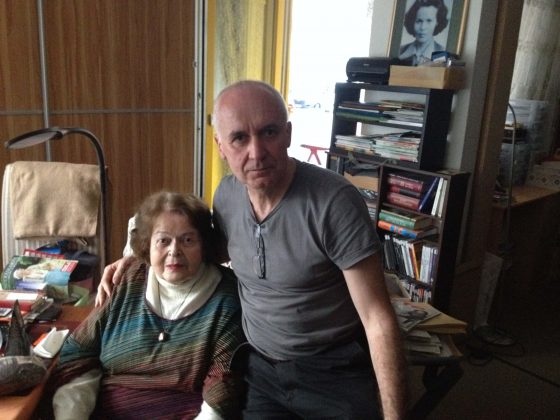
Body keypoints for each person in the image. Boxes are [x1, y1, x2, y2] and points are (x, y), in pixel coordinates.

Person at [97, 81, 407, 419]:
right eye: (239, 138)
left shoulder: (334, 203)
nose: (256, 153)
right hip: (261, 371)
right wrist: (135, 258)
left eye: (268, 132)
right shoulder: (227, 195)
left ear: (288, 134)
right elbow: (198, 248)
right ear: (221, 146)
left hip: (334, 372)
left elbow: (378, 319)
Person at [48, 191, 245, 419]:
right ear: (146, 245)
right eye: (163, 241)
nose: (174, 251)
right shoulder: (127, 280)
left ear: (204, 245)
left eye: (187, 240)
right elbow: (80, 353)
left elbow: (223, 385)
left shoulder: (226, 297)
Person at [398, 0, 449, 65]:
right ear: (412, 22)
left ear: (437, 22)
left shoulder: (442, 53)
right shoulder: (400, 51)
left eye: (429, 21)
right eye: (419, 21)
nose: (423, 27)